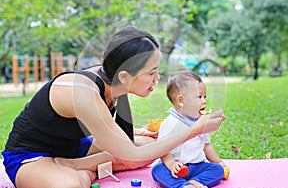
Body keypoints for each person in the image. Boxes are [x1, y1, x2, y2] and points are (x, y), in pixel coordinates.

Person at [2, 27, 226, 188]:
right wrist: (196, 129)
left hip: (70, 147)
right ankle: (83, 171)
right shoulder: (84, 93)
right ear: (125, 76)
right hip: (29, 155)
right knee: (70, 184)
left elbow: (109, 129)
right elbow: (132, 156)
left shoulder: (114, 82)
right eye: (151, 72)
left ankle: (73, 164)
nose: (158, 78)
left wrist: (137, 132)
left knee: (151, 144)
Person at [152, 71, 227, 188]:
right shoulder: (170, 123)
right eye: (199, 97)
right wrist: (171, 164)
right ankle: (183, 185)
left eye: (205, 97)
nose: (204, 101)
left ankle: (193, 183)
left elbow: (207, 146)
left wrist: (219, 162)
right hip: (175, 169)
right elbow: (163, 150)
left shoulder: (202, 122)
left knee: (217, 169)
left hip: (197, 166)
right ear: (181, 101)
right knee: (157, 170)